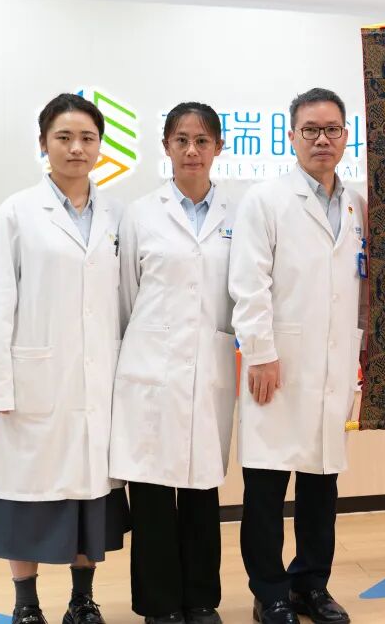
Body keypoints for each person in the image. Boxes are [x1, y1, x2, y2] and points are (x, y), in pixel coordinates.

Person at [0, 93, 130, 624]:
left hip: (98, 382)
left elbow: (125, 302)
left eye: (87, 138)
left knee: (90, 498)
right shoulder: (16, 212)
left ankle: (82, 600)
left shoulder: (116, 215)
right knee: (26, 497)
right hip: (34, 381)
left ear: (100, 145)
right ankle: (26, 604)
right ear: (43, 143)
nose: (76, 148)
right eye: (64, 137)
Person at [230, 87, 366, 624]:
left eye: (331, 129)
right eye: (310, 130)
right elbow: (249, 284)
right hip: (277, 364)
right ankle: (270, 592)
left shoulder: (358, 204)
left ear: (346, 136)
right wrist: (260, 353)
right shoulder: (265, 200)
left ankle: (312, 584)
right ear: (291, 136)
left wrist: (364, 352)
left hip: (333, 365)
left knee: (321, 484)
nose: (322, 139)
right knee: (266, 487)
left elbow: (362, 286)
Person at [109, 102, 236, 624]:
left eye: (202, 141)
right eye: (181, 140)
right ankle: (159, 605)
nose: (192, 150)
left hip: (208, 370)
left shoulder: (236, 217)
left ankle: (201, 600)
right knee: (154, 493)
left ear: (218, 148)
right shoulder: (140, 214)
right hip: (150, 372)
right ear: (165, 146)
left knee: (202, 490)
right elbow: (124, 297)